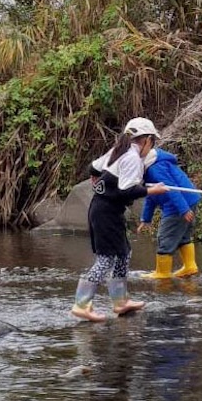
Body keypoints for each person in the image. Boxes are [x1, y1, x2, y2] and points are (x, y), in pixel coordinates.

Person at [70, 117, 168, 321]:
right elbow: (127, 191)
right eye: (153, 142)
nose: (152, 147)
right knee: (106, 259)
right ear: (147, 140)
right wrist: (153, 190)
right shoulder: (131, 156)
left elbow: (94, 168)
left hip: (105, 210)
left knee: (124, 253)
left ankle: (120, 302)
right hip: (106, 212)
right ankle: (81, 304)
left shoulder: (118, 150)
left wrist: (96, 179)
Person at [138, 146, 202, 279]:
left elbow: (171, 188)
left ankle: (162, 273)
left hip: (177, 204)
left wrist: (183, 209)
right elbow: (151, 195)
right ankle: (190, 266)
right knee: (183, 236)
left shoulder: (154, 169)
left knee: (165, 236)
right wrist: (146, 218)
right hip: (189, 200)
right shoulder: (151, 167)